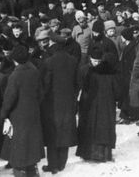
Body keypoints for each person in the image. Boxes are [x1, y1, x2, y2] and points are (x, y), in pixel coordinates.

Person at [0, 45, 44, 177]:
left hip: (18, 119)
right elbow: (41, 93)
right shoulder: (35, 71)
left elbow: (9, 99)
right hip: (33, 116)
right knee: (31, 154)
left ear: (15, 60)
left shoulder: (15, 75)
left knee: (18, 157)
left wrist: (3, 115)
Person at [40, 31, 79, 173]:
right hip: (68, 103)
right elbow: (77, 83)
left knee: (52, 134)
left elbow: (46, 85)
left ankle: (53, 164)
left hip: (52, 104)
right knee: (65, 133)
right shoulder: (73, 61)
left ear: (54, 44)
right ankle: (62, 163)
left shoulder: (49, 62)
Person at [76, 44, 118, 163]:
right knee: (99, 128)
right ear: (90, 59)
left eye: (98, 61)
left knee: (93, 127)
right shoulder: (87, 69)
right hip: (96, 104)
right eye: (95, 61)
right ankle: (99, 154)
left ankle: (89, 153)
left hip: (91, 103)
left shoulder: (87, 70)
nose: (96, 63)